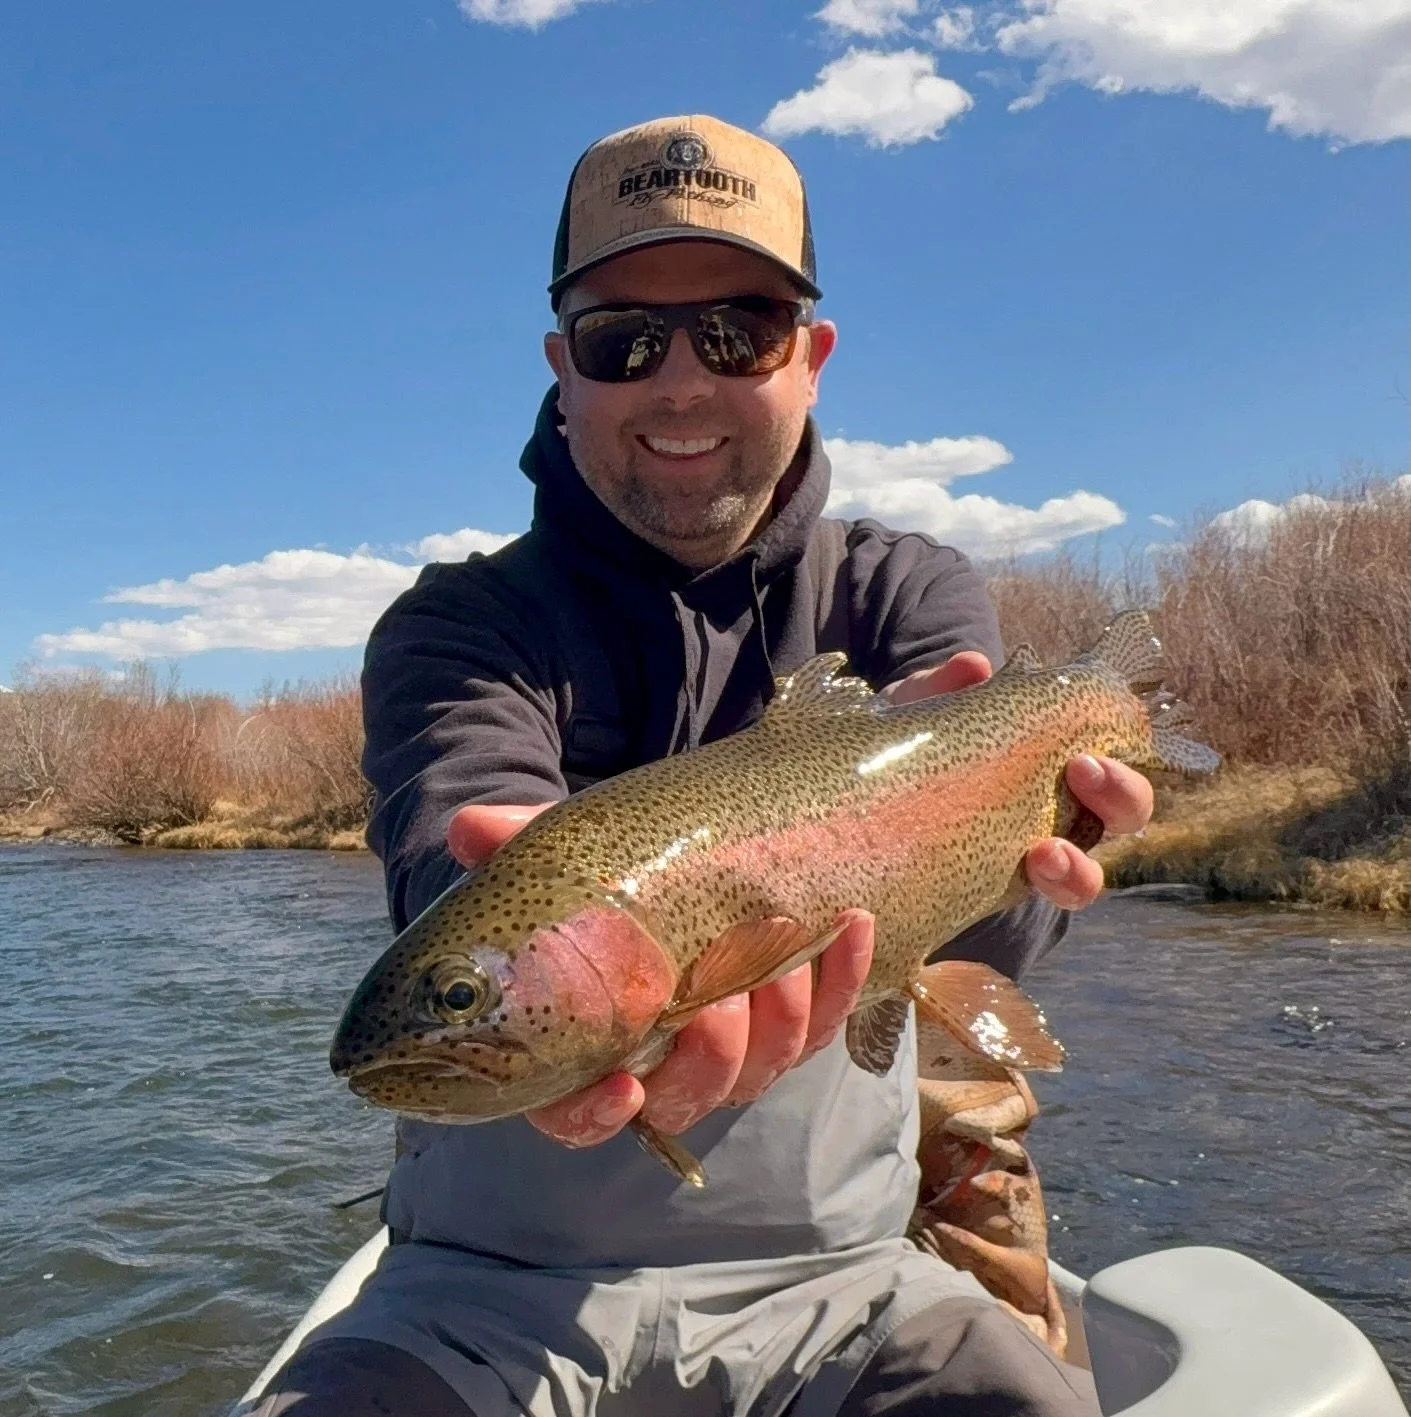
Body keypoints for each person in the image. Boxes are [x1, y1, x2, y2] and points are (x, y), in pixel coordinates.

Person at [254, 114, 1152, 1417]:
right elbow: (445, 853)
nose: (681, 383)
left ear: (813, 357)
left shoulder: (909, 592)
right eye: (627, 340)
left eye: (738, 331)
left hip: (847, 1276)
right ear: (565, 368)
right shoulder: (457, 628)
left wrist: (1043, 844)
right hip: (486, 1301)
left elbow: (987, 946)